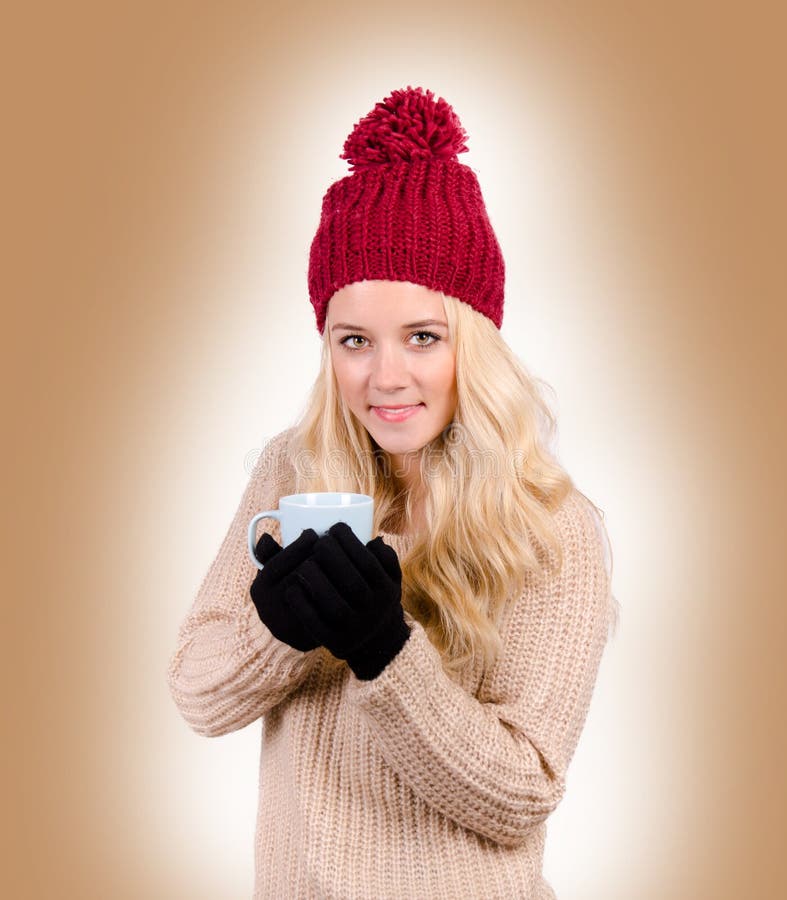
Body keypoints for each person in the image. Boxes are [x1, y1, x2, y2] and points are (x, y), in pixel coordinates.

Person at [167, 85, 619, 899]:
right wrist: (279, 632)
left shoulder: (552, 526)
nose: (384, 377)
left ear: (472, 342)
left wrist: (385, 649)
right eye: (353, 341)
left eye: (421, 337)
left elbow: (523, 796)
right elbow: (198, 696)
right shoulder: (292, 472)